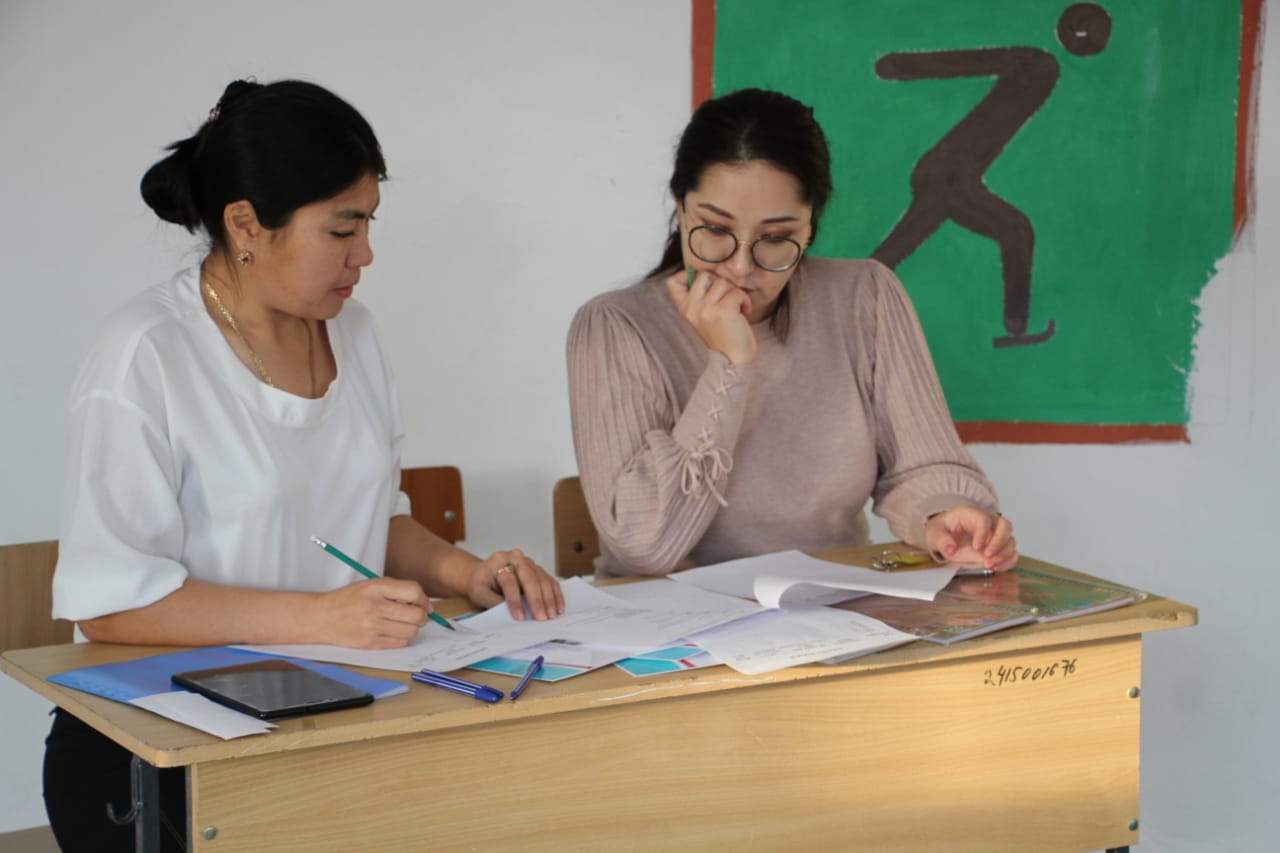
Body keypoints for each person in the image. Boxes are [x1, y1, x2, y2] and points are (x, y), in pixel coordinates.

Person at [45, 78, 563, 853]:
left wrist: (465, 571)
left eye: (369, 223)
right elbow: (112, 607)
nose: (366, 254)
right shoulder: (145, 352)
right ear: (246, 224)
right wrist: (321, 618)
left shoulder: (355, 332)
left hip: (329, 720)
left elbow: (372, 518)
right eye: (342, 228)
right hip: (162, 750)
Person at [567, 88, 1018, 579]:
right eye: (714, 229)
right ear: (681, 208)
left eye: (776, 238)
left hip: (833, 604)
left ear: (809, 231)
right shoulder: (615, 327)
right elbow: (645, 547)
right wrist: (730, 364)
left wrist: (943, 515)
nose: (741, 266)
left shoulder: (865, 298)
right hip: (674, 620)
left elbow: (924, 466)